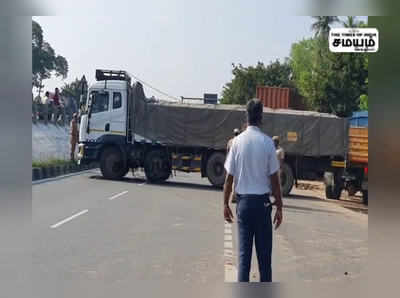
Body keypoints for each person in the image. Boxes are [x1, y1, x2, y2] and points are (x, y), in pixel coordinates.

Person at [223, 98, 283, 282]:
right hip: (263, 205)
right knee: (264, 259)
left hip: (244, 205)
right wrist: (279, 207)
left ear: (246, 116)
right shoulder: (267, 143)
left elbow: (229, 178)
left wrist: (225, 203)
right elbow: (275, 180)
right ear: (261, 117)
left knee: (244, 258)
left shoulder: (237, 143)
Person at [226, 128, 241, 204]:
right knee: (236, 181)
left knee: (229, 180)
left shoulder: (230, 141)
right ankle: (234, 197)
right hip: (237, 162)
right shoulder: (240, 141)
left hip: (230, 162)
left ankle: (231, 197)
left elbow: (228, 151)